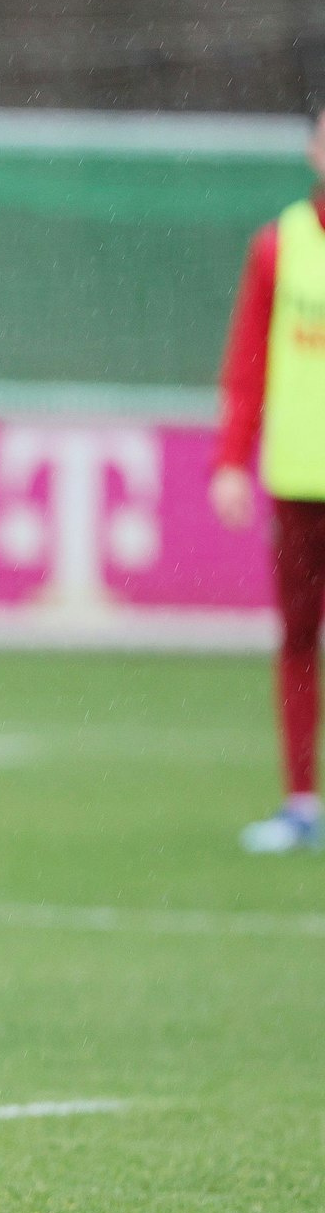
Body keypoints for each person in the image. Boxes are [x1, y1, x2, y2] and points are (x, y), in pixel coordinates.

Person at [211, 104, 325, 854]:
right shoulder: (278, 246)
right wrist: (230, 458)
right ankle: (299, 801)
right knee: (297, 638)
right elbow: (248, 364)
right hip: (298, 477)